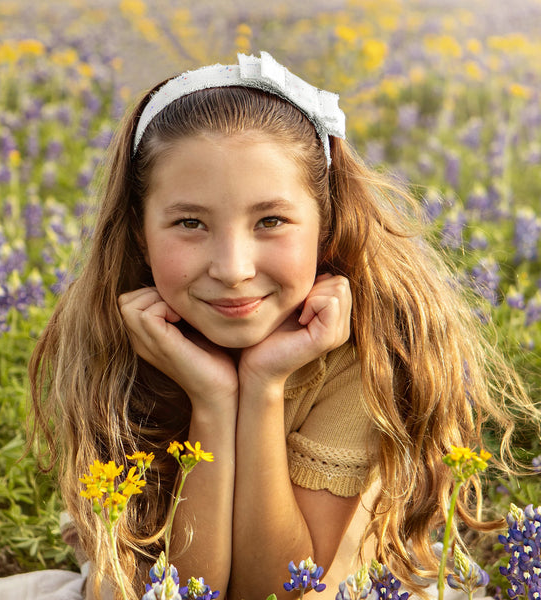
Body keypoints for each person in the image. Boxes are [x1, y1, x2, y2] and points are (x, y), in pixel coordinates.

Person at [28, 51, 537, 600]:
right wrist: (214, 400)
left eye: (270, 221)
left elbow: (281, 591)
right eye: (189, 222)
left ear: (328, 223)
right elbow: (171, 591)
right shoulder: (118, 341)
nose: (233, 268)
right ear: (139, 234)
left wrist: (265, 387)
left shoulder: (366, 351)